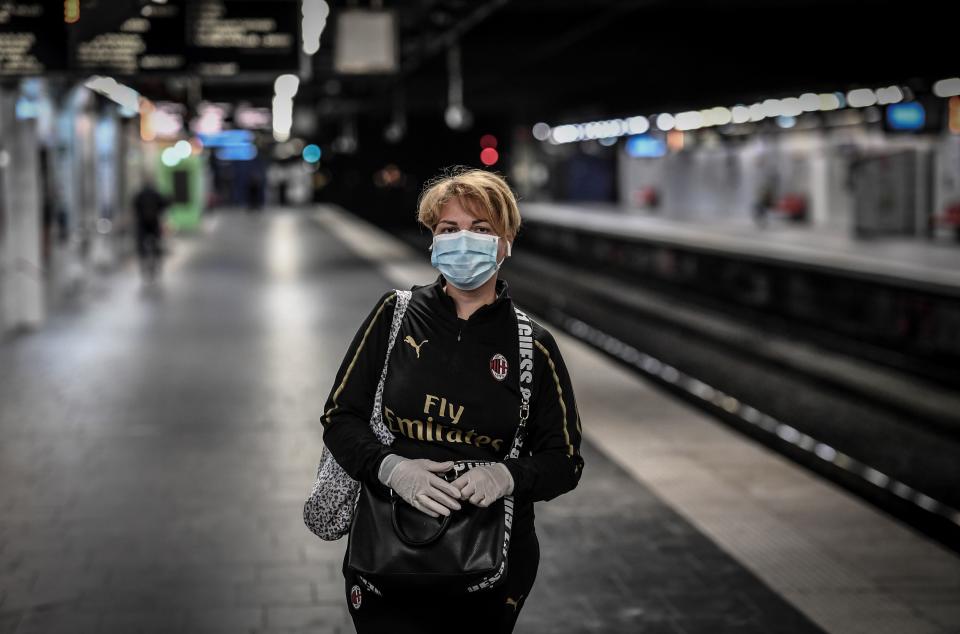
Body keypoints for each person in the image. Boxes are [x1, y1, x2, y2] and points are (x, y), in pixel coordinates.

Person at [320, 168, 584, 633]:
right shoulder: (394, 316)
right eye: (449, 229)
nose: (464, 241)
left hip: (488, 568)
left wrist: (506, 475)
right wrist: (391, 468)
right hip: (387, 551)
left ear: (506, 243)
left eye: (481, 230)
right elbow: (340, 417)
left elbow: (564, 461)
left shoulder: (532, 346)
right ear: (433, 242)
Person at [132, 179, 169, 281]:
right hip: (154, 223)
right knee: (157, 242)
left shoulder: (139, 195)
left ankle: (143, 260)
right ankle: (157, 259)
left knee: (141, 244)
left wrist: (138, 215)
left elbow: (134, 206)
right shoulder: (156, 194)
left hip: (142, 224)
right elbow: (164, 205)